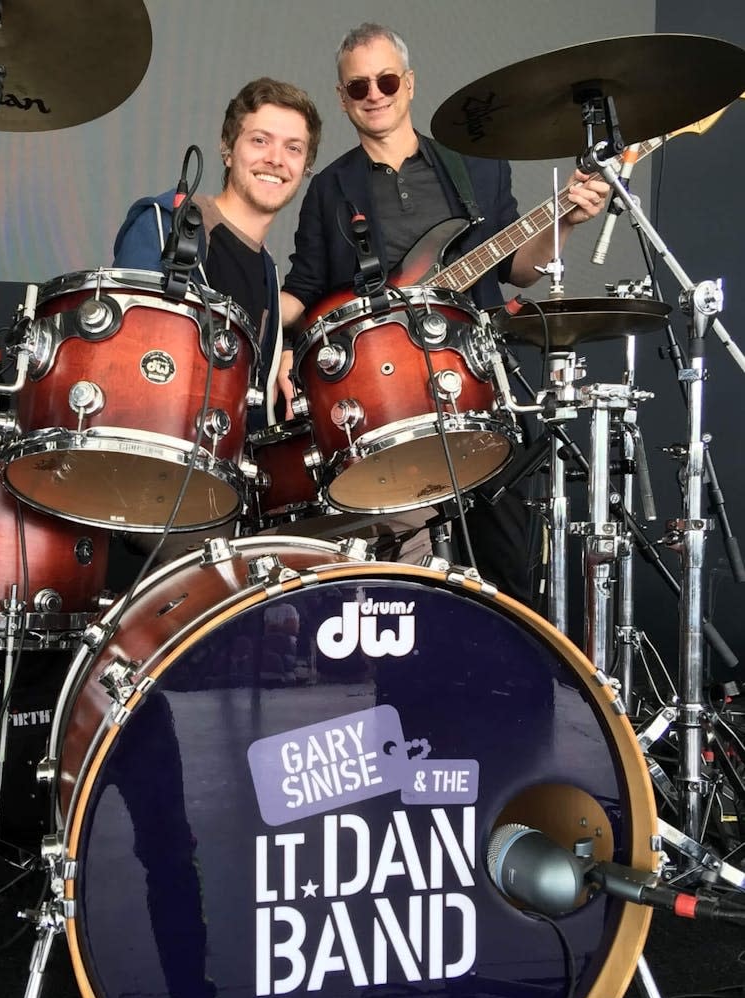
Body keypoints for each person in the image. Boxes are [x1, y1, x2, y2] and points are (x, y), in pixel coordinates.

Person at [275, 23, 611, 602]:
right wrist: (282, 345)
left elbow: (518, 268)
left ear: (408, 84)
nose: (374, 94)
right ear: (342, 97)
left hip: (479, 385)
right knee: (399, 584)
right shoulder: (330, 189)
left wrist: (568, 220)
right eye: (359, 87)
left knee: (506, 571)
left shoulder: (474, 167)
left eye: (385, 80)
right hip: (384, 405)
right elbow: (305, 287)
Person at [110, 77, 322, 566]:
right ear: (227, 149)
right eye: (260, 140)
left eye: (293, 148)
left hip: (231, 494)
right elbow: (131, 374)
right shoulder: (168, 224)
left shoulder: (269, 272)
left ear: (305, 167)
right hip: (157, 489)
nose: (276, 158)